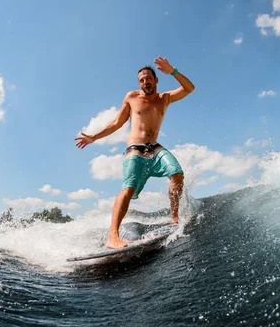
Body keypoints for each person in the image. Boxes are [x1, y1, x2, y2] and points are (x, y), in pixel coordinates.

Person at [75, 56, 195, 249]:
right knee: (129, 188)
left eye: (148, 78)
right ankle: (113, 236)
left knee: (177, 173)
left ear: (156, 80)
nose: (145, 82)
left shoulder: (165, 99)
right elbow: (117, 123)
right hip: (135, 151)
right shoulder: (131, 97)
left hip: (155, 149)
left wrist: (173, 71)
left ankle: (174, 218)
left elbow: (190, 88)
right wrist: (93, 137)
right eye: (141, 80)